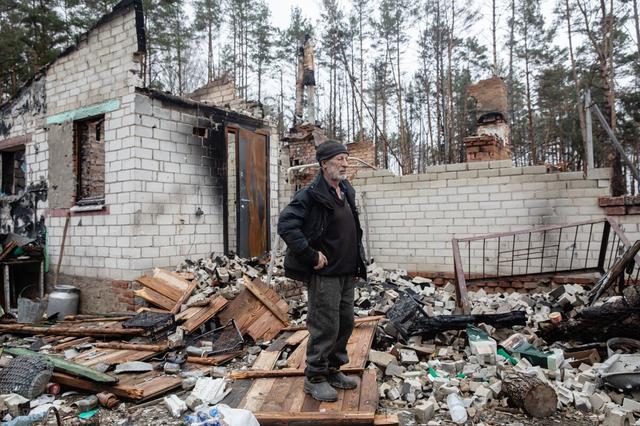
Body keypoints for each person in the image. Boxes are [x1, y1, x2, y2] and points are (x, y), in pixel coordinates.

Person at [277, 140, 367, 402]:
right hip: (325, 275)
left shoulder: (345, 189)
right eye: (339, 158)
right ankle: (315, 378)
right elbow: (286, 224)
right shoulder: (311, 193)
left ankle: (332, 370)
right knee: (325, 326)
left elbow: (352, 230)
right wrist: (310, 255)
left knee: (345, 324)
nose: (345, 163)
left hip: (346, 272)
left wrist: (357, 264)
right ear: (324, 163)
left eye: (346, 158)